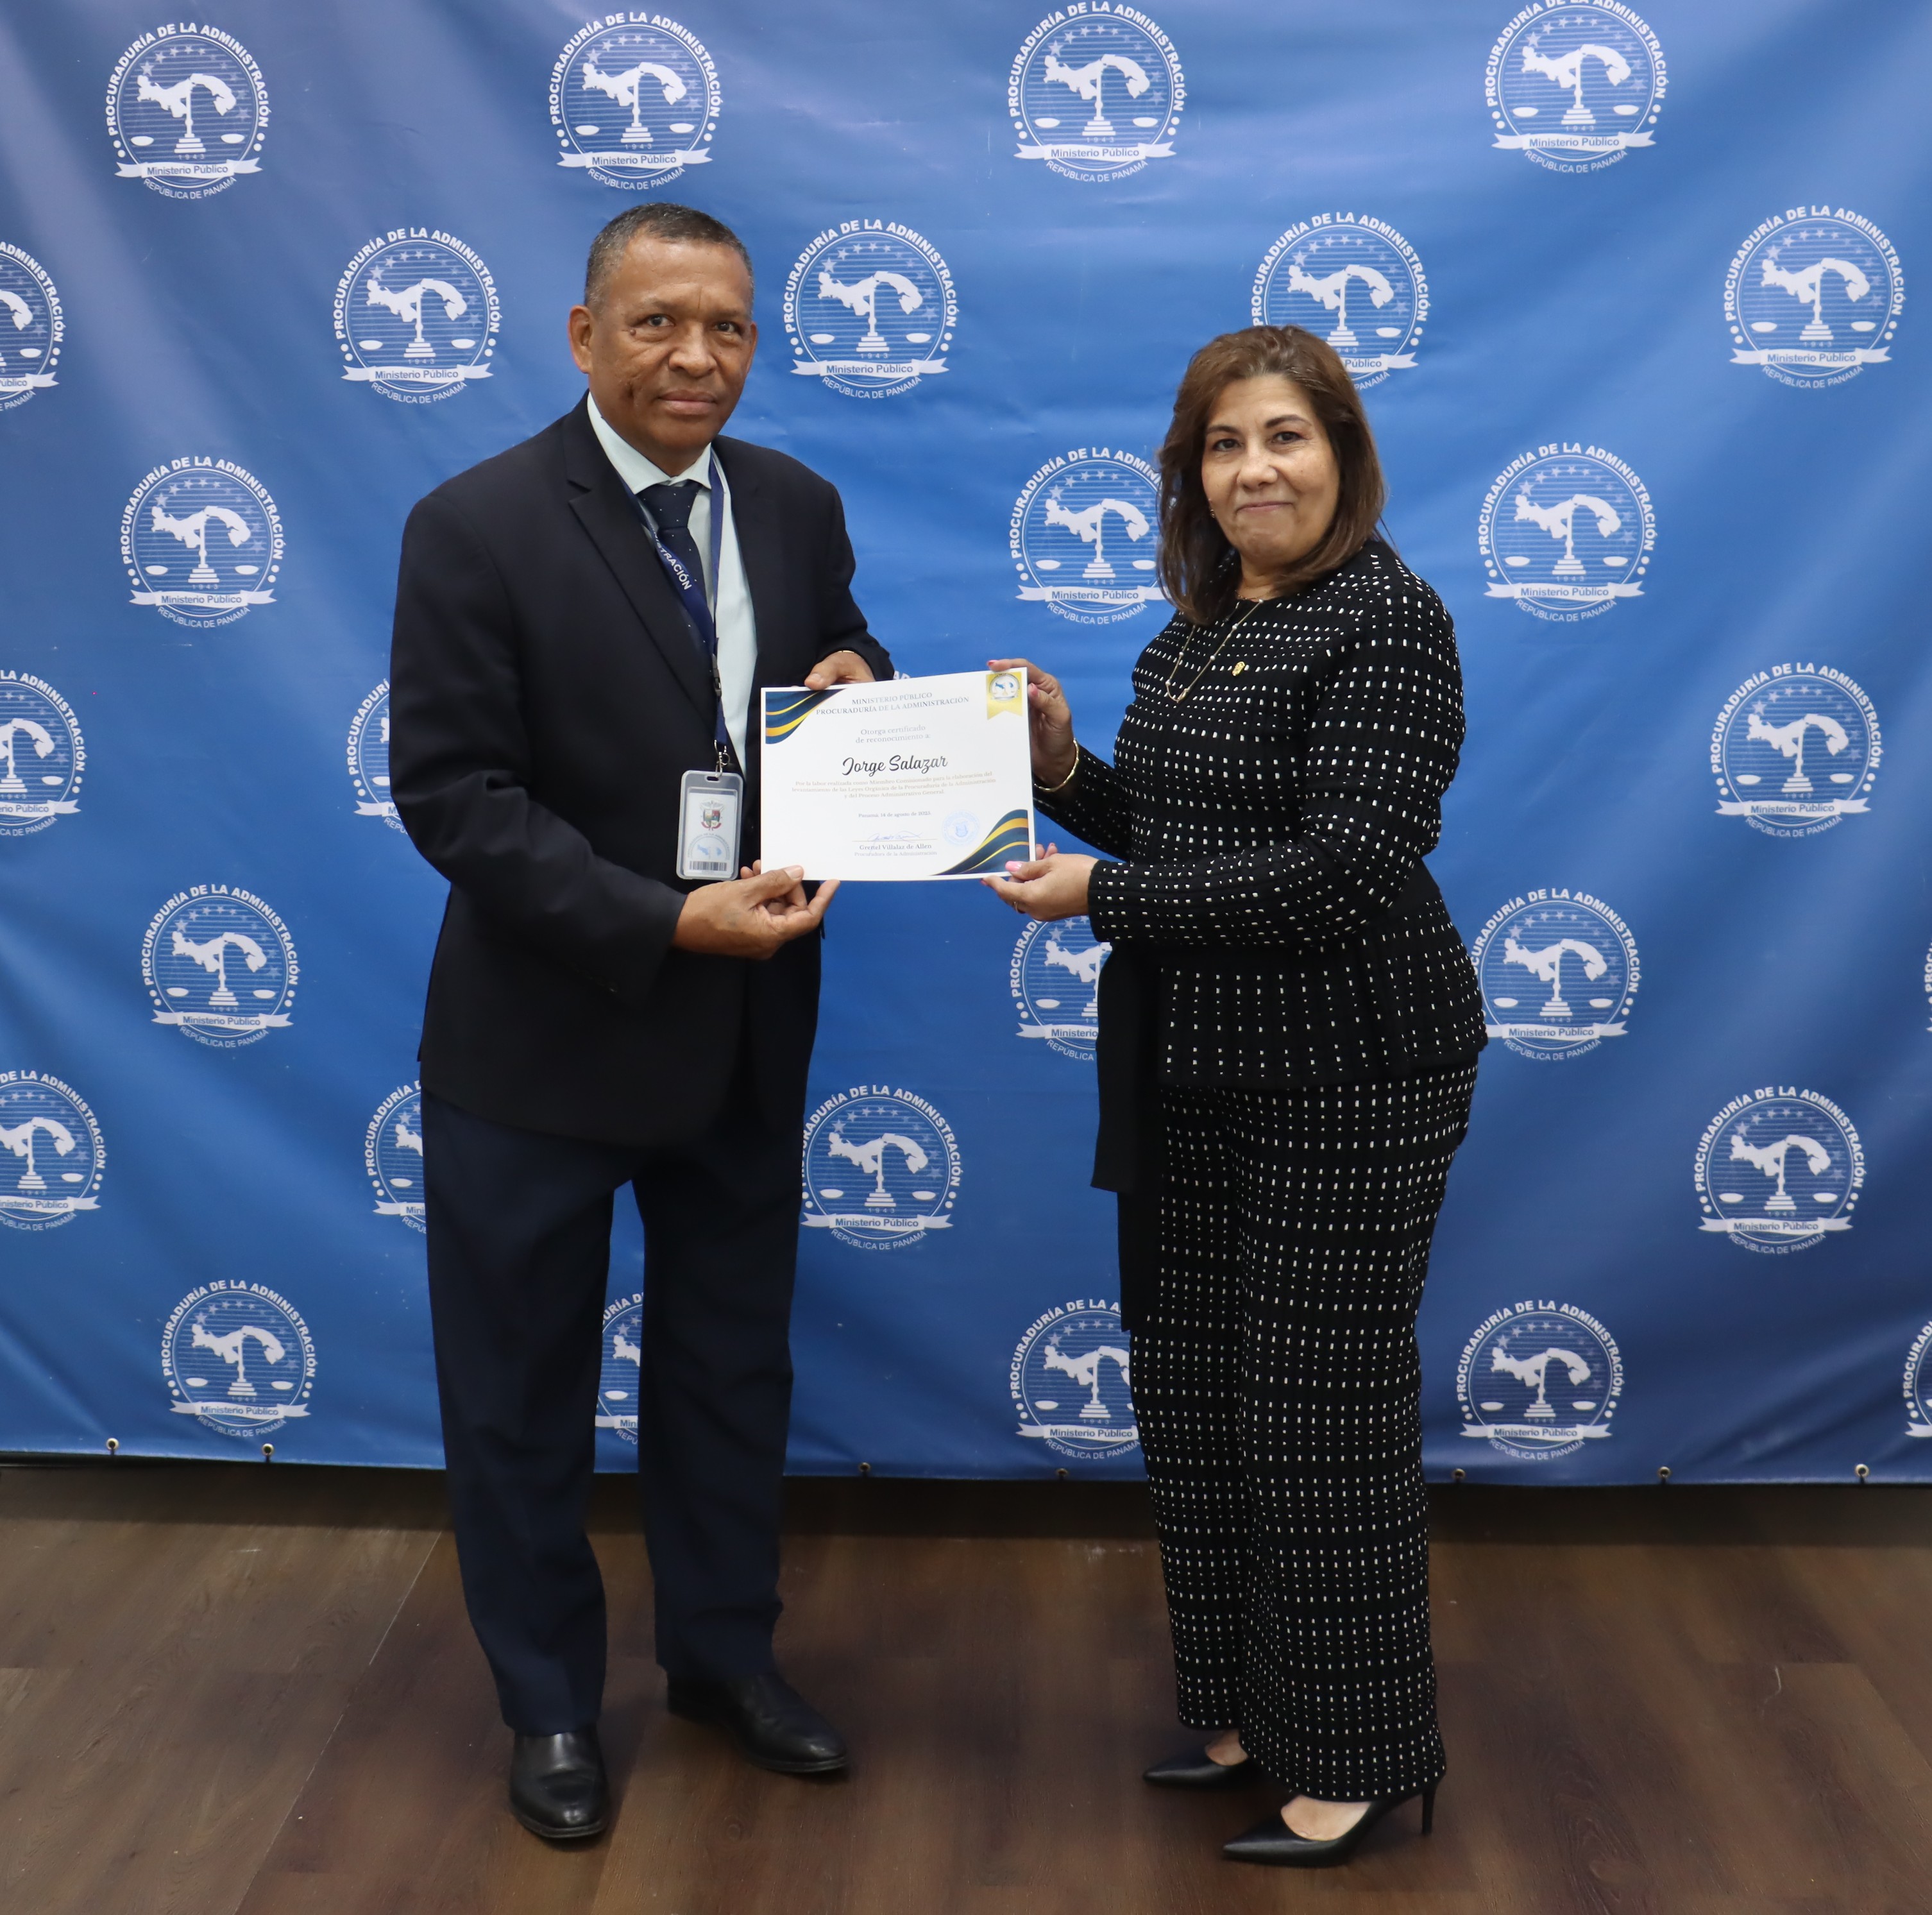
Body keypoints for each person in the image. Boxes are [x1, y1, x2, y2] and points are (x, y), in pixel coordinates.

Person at [388, 203, 892, 1841]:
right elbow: (455, 796)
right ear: (585, 334)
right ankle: (547, 1700)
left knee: (731, 1369)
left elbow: (827, 670)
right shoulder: (474, 525)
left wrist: (855, 671)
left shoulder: (796, 503)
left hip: (745, 1031)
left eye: (728, 326)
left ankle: (723, 1657)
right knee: (519, 1390)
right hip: (542, 1043)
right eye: (660, 321)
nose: (697, 356)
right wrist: (663, 917)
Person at [985, 325, 1484, 1868]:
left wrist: (1102, 897)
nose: (1254, 469)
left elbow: (1345, 870)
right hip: (1197, 1062)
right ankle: (1250, 1714)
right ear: (1190, 473)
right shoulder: (1203, 622)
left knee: (1319, 1413)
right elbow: (1174, 825)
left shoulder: (1388, 622)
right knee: (1200, 1397)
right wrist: (1063, 767)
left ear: (1343, 454)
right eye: (1224, 443)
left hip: (1354, 1070)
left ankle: (1356, 1756)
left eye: (1285, 436)